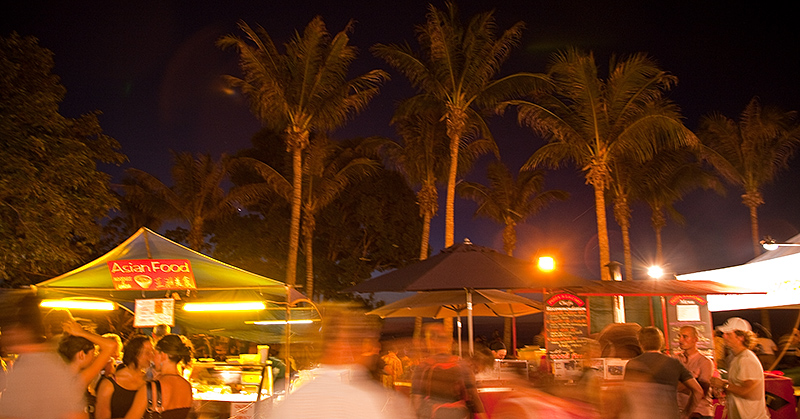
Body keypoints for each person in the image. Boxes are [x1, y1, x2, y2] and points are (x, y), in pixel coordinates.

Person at [267, 304, 414, 419]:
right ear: (346, 346)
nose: (376, 347)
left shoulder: (295, 399)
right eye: (370, 341)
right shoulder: (362, 399)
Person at [0, 293, 86, 419]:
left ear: (20, 330)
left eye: (6, 331)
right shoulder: (27, 363)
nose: (3, 337)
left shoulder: (42, 367)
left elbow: (75, 415)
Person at [619, 326, 703, 419]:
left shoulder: (632, 364)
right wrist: (686, 414)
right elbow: (698, 391)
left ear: (641, 343)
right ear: (661, 343)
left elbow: (625, 396)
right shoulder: (674, 363)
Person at [411, 323, 487, 419]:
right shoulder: (461, 364)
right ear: (449, 341)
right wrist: (482, 415)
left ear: (430, 342)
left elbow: (416, 399)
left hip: (432, 414)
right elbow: (473, 396)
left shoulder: (424, 367)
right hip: (460, 415)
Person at [709, 317, 769, 419]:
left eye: (728, 334)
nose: (724, 336)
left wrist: (723, 384)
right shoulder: (736, 357)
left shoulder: (746, 359)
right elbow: (739, 387)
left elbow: (748, 391)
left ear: (741, 337)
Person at [124, 334, 194, 419]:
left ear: (163, 355)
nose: (152, 358)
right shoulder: (187, 386)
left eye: (155, 353)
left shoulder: (150, 389)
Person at [95, 335, 155, 419]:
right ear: (135, 354)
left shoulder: (150, 381)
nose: (152, 356)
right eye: (147, 352)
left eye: (153, 352)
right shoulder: (109, 384)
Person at [675, 325, 714, 419]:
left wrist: (678, 386)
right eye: (679, 336)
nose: (680, 340)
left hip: (699, 413)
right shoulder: (675, 359)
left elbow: (702, 390)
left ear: (695, 339)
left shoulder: (704, 361)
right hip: (680, 412)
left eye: (685, 336)